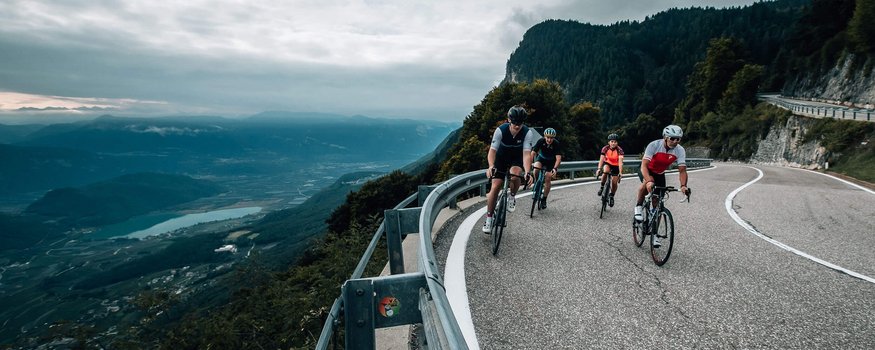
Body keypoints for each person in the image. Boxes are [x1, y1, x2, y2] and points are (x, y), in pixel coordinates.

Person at [482, 106, 537, 232]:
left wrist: (528, 172)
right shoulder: (500, 130)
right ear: (509, 120)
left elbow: (526, 154)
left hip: (516, 158)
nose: (517, 126)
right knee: (496, 186)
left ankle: (512, 196)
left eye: (520, 123)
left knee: (516, 173)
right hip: (501, 157)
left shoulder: (527, 133)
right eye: (514, 123)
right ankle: (489, 218)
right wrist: (491, 166)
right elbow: (492, 151)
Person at [635, 125, 689, 247]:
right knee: (648, 183)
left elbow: (682, 170)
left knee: (658, 205)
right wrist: (648, 180)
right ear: (665, 137)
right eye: (672, 138)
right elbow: (644, 166)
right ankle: (638, 207)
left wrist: (683, 185)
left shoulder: (680, 150)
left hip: (660, 174)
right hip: (646, 170)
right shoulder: (654, 145)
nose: (675, 141)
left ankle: (654, 235)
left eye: (678, 139)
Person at [529, 127, 563, 209]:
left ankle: (544, 199)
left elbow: (558, 158)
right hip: (541, 159)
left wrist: (555, 168)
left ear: (553, 138)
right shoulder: (541, 141)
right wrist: (529, 164)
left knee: (548, 177)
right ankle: (537, 182)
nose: (549, 140)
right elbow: (533, 153)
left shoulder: (556, 144)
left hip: (551, 162)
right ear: (545, 137)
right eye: (548, 137)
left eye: (551, 138)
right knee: (536, 169)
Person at [595, 133, 624, 207]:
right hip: (608, 163)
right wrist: (599, 169)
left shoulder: (620, 150)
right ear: (609, 142)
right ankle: (602, 187)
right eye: (612, 141)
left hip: (616, 166)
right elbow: (601, 159)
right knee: (605, 172)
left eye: (615, 142)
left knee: (614, 183)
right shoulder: (605, 148)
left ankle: (612, 196)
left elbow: (620, 163)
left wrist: (620, 172)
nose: (613, 143)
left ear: (617, 143)